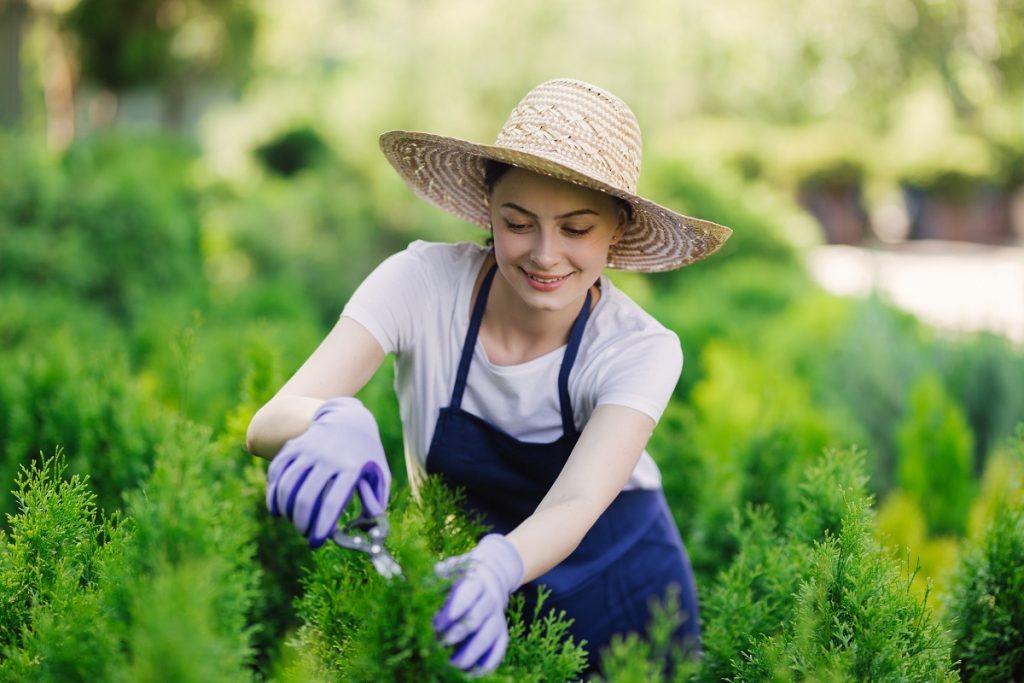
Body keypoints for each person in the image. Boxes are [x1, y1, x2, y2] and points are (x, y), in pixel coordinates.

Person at [247, 78, 732, 677]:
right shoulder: (420, 285)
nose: (545, 255)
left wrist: (502, 564)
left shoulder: (639, 349)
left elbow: (578, 501)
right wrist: (327, 418)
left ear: (619, 232)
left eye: (576, 230)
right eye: (518, 222)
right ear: (488, 210)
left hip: (622, 583)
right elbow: (266, 424)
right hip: (462, 578)